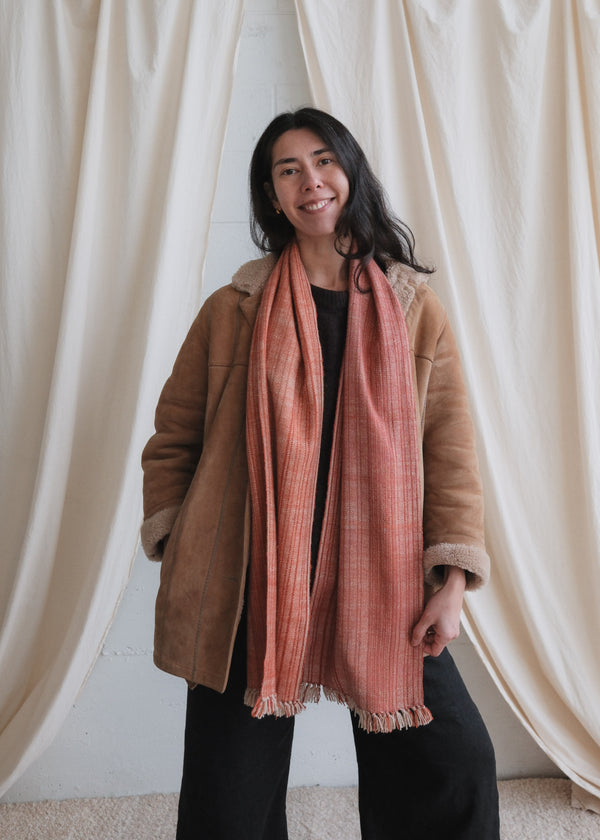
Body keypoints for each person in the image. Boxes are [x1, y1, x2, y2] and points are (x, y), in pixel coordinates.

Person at [141, 107, 500, 840]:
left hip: (381, 575)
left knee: (453, 761)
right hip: (252, 576)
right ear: (272, 197)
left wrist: (453, 581)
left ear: (350, 172)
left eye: (324, 161)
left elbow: (451, 452)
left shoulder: (413, 309)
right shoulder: (234, 309)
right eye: (288, 170)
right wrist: (183, 544)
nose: (311, 181)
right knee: (227, 800)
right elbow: (173, 438)